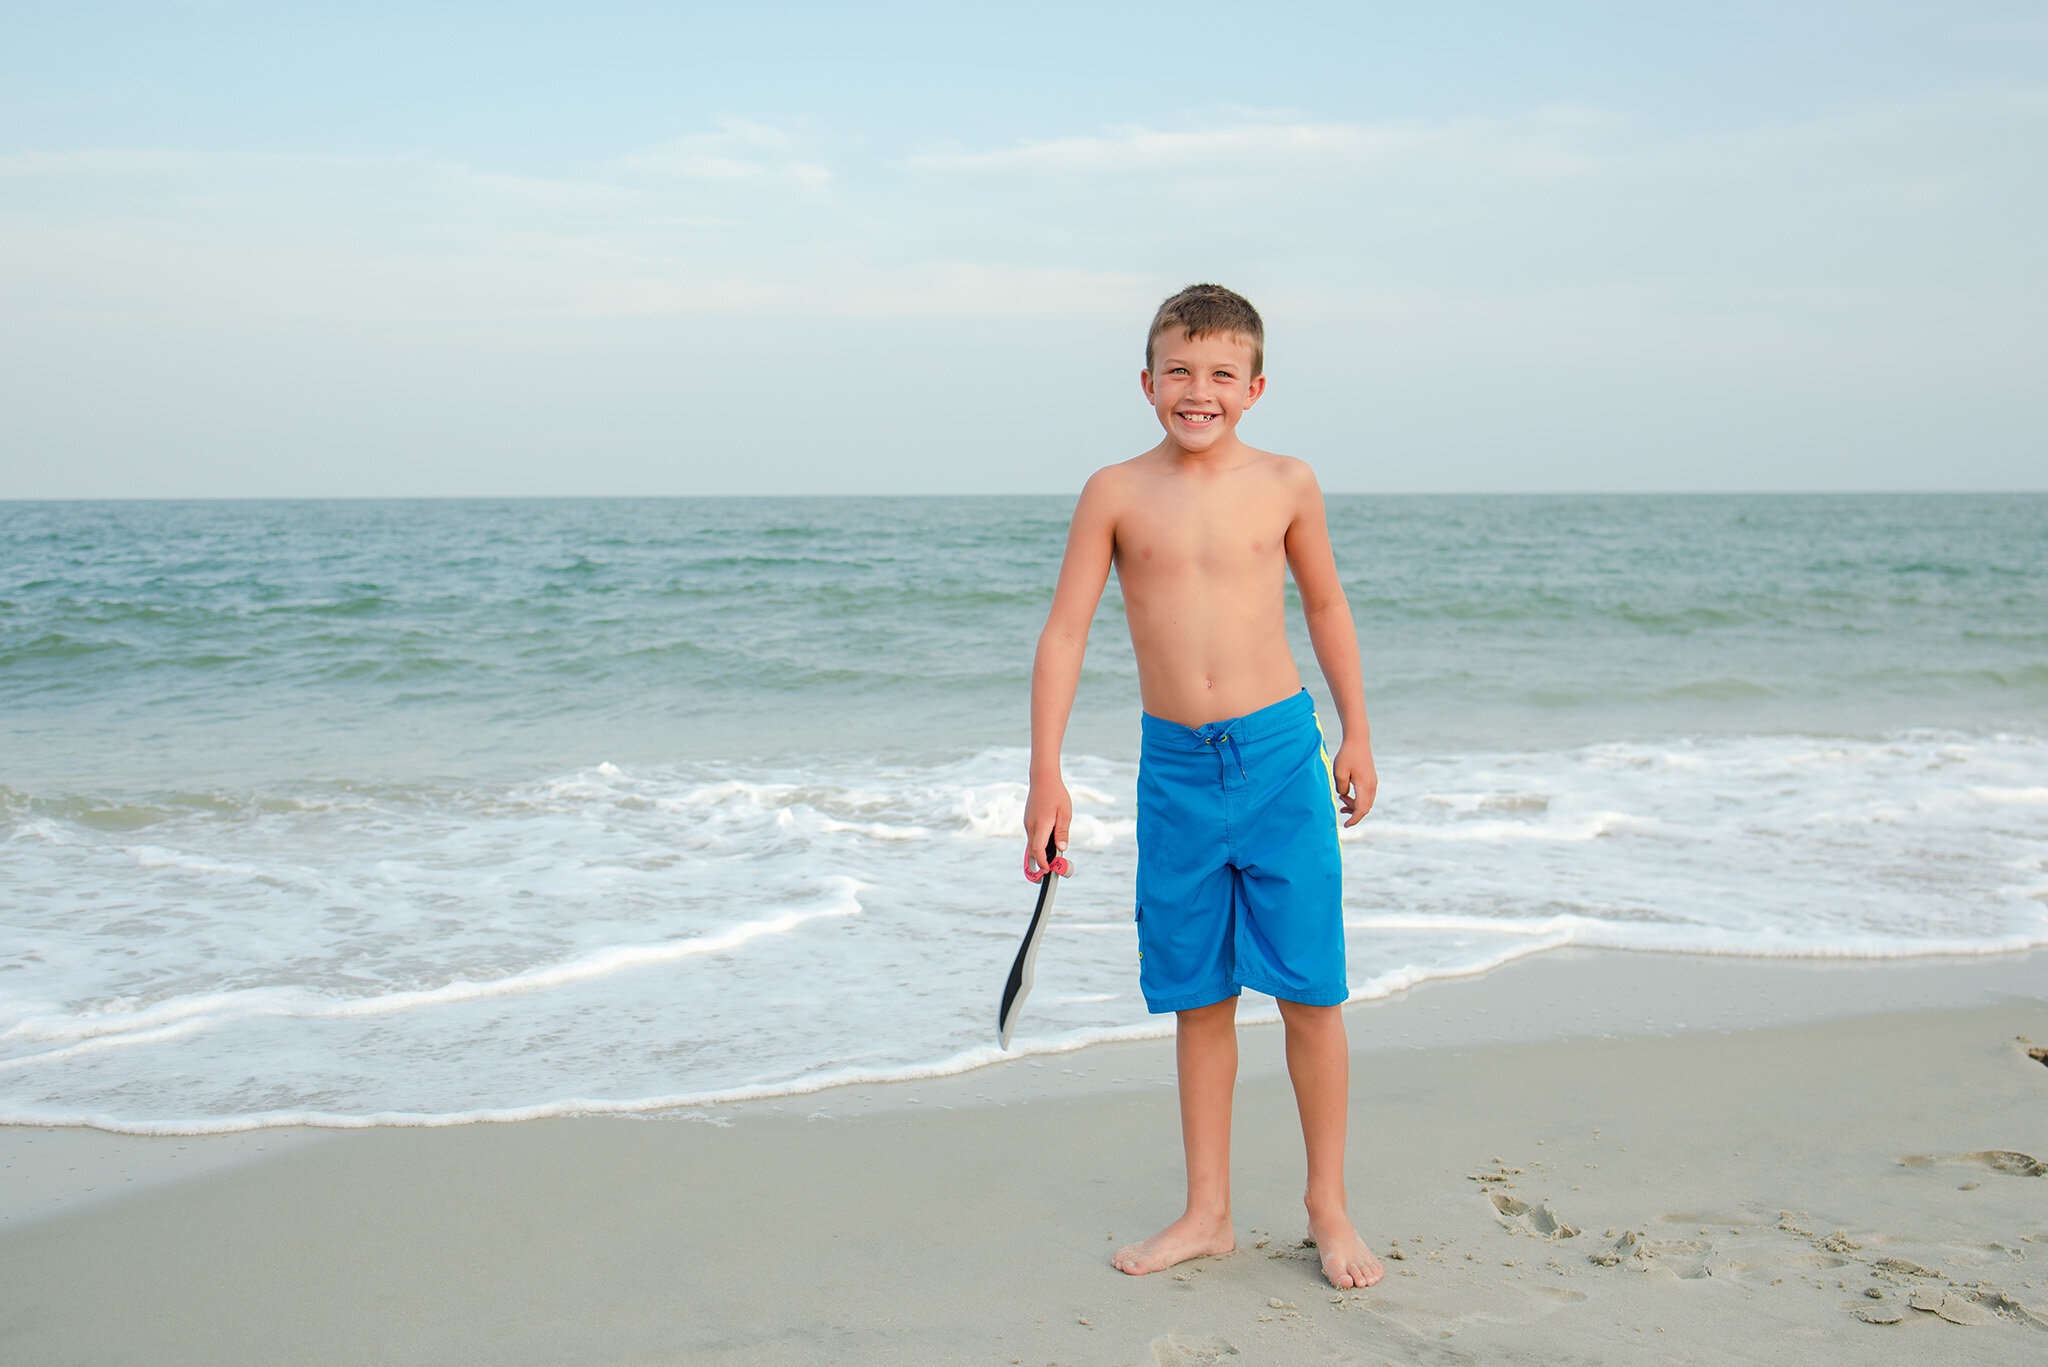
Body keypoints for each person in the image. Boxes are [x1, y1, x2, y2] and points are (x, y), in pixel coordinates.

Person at [1023, 283, 1383, 1290]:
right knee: (1200, 993)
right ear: (1146, 382)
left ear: (1254, 386)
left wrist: (1356, 731)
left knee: (1309, 988)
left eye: (1220, 373)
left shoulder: (1286, 482)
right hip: (1175, 767)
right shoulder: (1113, 491)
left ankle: (1326, 1203)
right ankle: (1207, 1210)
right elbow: (1063, 633)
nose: (1198, 390)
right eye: (1178, 370)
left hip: (1278, 755)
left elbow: (1323, 601)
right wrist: (1043, 772)